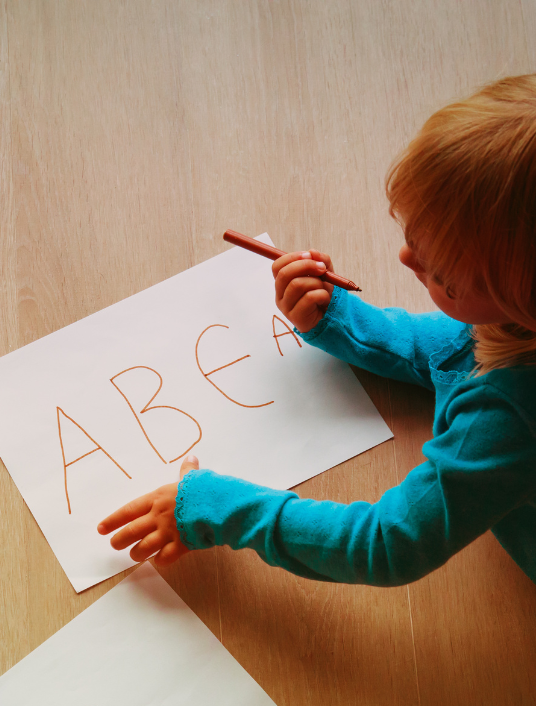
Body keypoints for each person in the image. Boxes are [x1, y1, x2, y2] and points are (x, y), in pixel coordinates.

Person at [98, 75, 536, 586]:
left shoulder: (508, 419)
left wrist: (222, 507)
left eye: (441, 274)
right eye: (412, 235)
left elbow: (387, 543)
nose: (405, 257)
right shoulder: (515, 322)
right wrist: (334, 317)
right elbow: (445, 351)